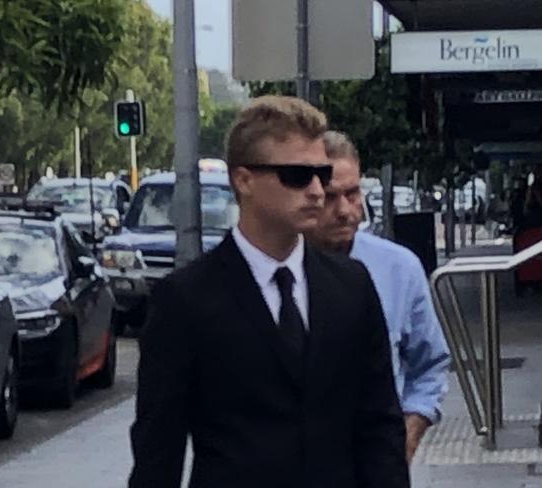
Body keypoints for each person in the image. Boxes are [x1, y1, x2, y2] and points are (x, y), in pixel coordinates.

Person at [129, 97, 409, 488]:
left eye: (321, 174)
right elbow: (158, 450)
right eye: (297, 175)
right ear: (244, 180)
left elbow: (380, 426)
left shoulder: (352, 286)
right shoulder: (186, 300)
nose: (315, 190)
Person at [305, 130, 450, 463]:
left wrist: (406, 439)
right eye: (330, 197)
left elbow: (430, 365)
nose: (345, 210)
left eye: (353, 193)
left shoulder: (398, 268)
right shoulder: (282, 272)